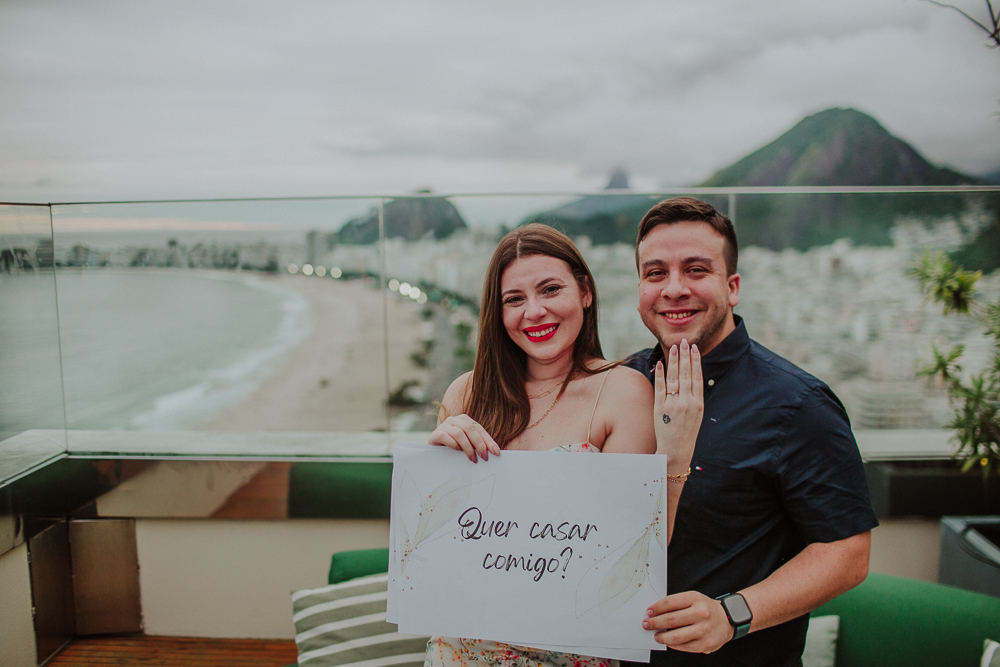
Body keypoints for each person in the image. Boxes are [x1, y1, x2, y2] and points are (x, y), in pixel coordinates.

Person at [425, 223, 703, 667]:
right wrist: (434, 464)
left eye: (550, 289)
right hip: (462, 648)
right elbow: (434, 544)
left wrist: (676, 452)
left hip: (574, 648)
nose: (533, 311)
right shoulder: (466, 393)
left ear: (586, 292)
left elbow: (634, 552)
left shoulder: (624, 393)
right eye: (514, 300)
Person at [624, 197, 878, 667]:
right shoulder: (622, 387)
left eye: (696, 269)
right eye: (656, 273)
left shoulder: (798, 404)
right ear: (640, 287)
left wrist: (731, 614)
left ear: (733, 286)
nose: (674, 288)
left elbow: (847, 551)